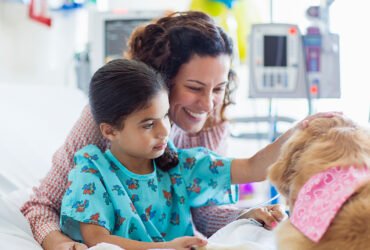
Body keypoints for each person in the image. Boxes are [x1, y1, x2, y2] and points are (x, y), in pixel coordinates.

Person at [21, 11, 335, 250]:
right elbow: (42, 206)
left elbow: (205, 207)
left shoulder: (198, 142)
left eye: (219, 88)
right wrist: (60, 243)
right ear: (162, 79)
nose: (209, 105)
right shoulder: (104, 129)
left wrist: (248, 215)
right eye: (195, 88)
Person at [61, 58, 265, 249]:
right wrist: (165, 248)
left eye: (165, 116)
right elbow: (98, 241)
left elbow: (252, 167)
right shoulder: (92, 172)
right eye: (149, 124)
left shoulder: (177, 165)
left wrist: (296, 133)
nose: (164, 131)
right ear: (110, 131)